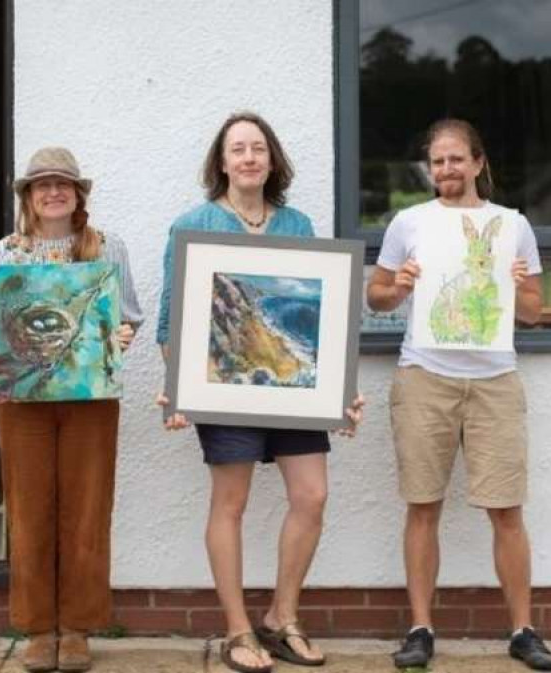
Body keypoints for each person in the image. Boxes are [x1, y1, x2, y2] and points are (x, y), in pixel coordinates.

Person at [156, 111, 363, 673]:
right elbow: (170, 320)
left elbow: (321, 318)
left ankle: (281, 617)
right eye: (237, 149)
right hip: (221, 388)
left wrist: (339, 389)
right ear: (221, 163)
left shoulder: (297, 224)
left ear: (272, 160)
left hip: (294, 388)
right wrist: (179, 390)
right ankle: (238, 630)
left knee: (312, 495)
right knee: (231, 503)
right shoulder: (192, 224)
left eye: (258, 148)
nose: (248, 157)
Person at [366, 119, 551, 671]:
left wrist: (521, 283)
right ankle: (420, 628)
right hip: (424, 376)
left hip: (496, 380)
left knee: (506, 509)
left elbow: (533, 311)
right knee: (422, 504)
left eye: (456, 159)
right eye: (437, 161)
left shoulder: (512, 227)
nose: (446, 170)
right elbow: (376, 296)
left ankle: (523, 630)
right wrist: (396, 287)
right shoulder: (409, 223)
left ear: (478, 163)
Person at [0, 147, 143, 673]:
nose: (52, 192)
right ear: (27, 197)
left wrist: (125, 333)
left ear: (78, 193)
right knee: (29, 510)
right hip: (23, 402)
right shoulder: (5, 253)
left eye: (62, 183)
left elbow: (126, 315)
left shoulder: (108, 248)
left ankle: (79, 628)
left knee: (87, 511)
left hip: (90, 401)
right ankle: (39, 628)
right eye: (41, 185)